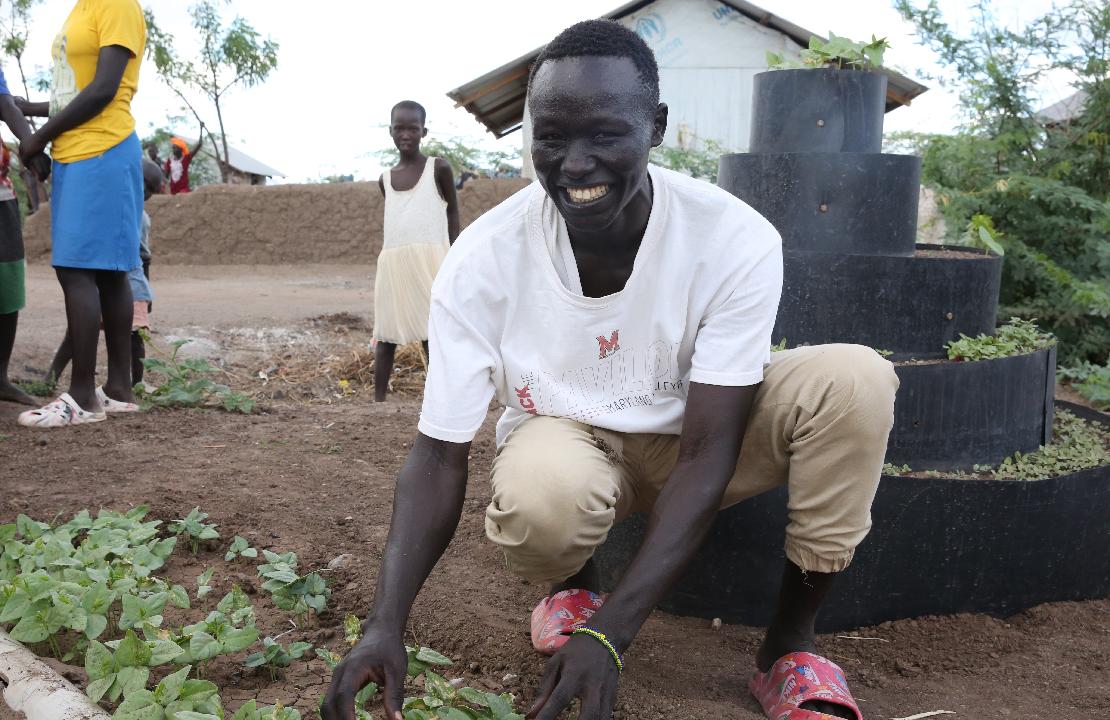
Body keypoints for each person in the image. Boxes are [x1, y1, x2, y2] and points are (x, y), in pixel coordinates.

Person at [322, 20, 898, 720]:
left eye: (605, 135)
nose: (575, 163)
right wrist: (386, 624)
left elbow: (709, 450)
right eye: (553, 137)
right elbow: (439, 456)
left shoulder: (732, 238)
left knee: (855, 381)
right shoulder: (484, 260)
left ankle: (789, 647)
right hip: (572, 438)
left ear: (655, 127)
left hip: (700, 433)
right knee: (539, 501)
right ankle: (577, 589)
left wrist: (612, 638)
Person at [15, 0, 147, 427]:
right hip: (80, 150)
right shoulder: (82, 8)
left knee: (77, 270)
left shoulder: (117, 5)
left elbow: (104, 88)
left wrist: (38, 139)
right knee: (109, 272)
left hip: (101, 148)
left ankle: (82, 396)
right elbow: (75, 91)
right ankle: (118, 390)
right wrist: (31, 109)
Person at [44, 157, 161, 391]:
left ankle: (135, 384)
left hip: (131, 285)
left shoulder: (140, 217)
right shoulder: (110, 206)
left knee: (133, 338)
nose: (145, 191)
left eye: (151, 189)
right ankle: (49, 380)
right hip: (100, 283)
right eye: (143, 183)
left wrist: (145, 294)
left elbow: (144, 257)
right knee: (77, 333)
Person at [371, 100, 459, 402]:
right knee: (386, 333)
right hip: (394, 263)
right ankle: (378, 401)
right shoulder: (385, 179)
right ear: (390, 132)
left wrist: (454, 255)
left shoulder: (439, 168)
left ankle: (439, 399)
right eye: (399, 128)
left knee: (431, 333)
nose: (405, 134)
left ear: (424, 131)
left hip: (431, 262)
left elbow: (452, 214)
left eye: (412, 128)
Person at [0, 65, 51, 407]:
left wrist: (30, 145)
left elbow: (6, 106)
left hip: (1, 195)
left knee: (8, 284)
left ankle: (0, 378)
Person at [164, 128, 202, 195]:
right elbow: (166, 176)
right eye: (173, 148)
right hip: (173, 190)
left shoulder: (186, 159)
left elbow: (198, 146)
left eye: (175, 148)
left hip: (183, 190)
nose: (173, 149)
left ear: (181, 149)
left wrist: (201, 130)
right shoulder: (169, 161)